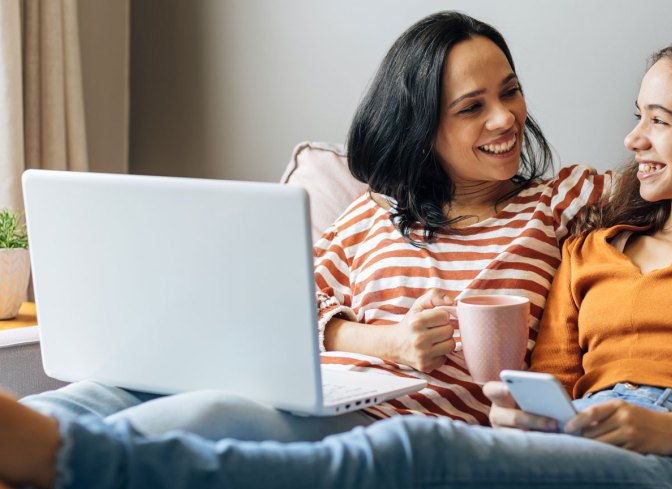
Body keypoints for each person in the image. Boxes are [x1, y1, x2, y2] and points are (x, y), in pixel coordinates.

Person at [1, 32, 672, 489]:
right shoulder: (587, 244)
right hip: (554, 425)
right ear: (423, 124)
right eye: (470, 106)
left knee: (359, 441)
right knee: (132, 387)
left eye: (657, 120)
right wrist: (499, 401)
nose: (631, 138)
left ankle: (64, 470)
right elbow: (538, 383)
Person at [19, 11, 612, 441]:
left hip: (391, 428)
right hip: (319, 391)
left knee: (195, 423)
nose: (505, 117)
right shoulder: (375, 212)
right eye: (472, 106)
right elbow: (281, 307)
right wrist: (388, 342)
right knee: (93, 397)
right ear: (419, 126)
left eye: (510, 92)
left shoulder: (562, 199)